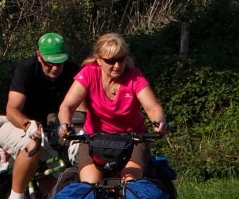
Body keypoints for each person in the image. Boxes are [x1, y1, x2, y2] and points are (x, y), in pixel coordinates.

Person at [0, 31, 77, 199]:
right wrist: (27, 124)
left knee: (57, 172)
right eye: (49, 63)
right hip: (10, 121)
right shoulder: (26, 70)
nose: (55, 68)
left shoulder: (73, 72)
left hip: (43, 126)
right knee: (32, 147)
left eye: (60, 63)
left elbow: (80, 106)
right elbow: (12, 109)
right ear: (39, 56)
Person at [57, 31, 166, 183]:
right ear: (99, 60)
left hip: (133, 140)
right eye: (110, 61)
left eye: (121, 60)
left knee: (129, 181)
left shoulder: (135, 77)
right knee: (90, 185)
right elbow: (67, 106)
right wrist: (65, 124)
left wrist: (159, 122)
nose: (117, 65)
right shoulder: (88, 73)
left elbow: (153, 107)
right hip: (93, 140)